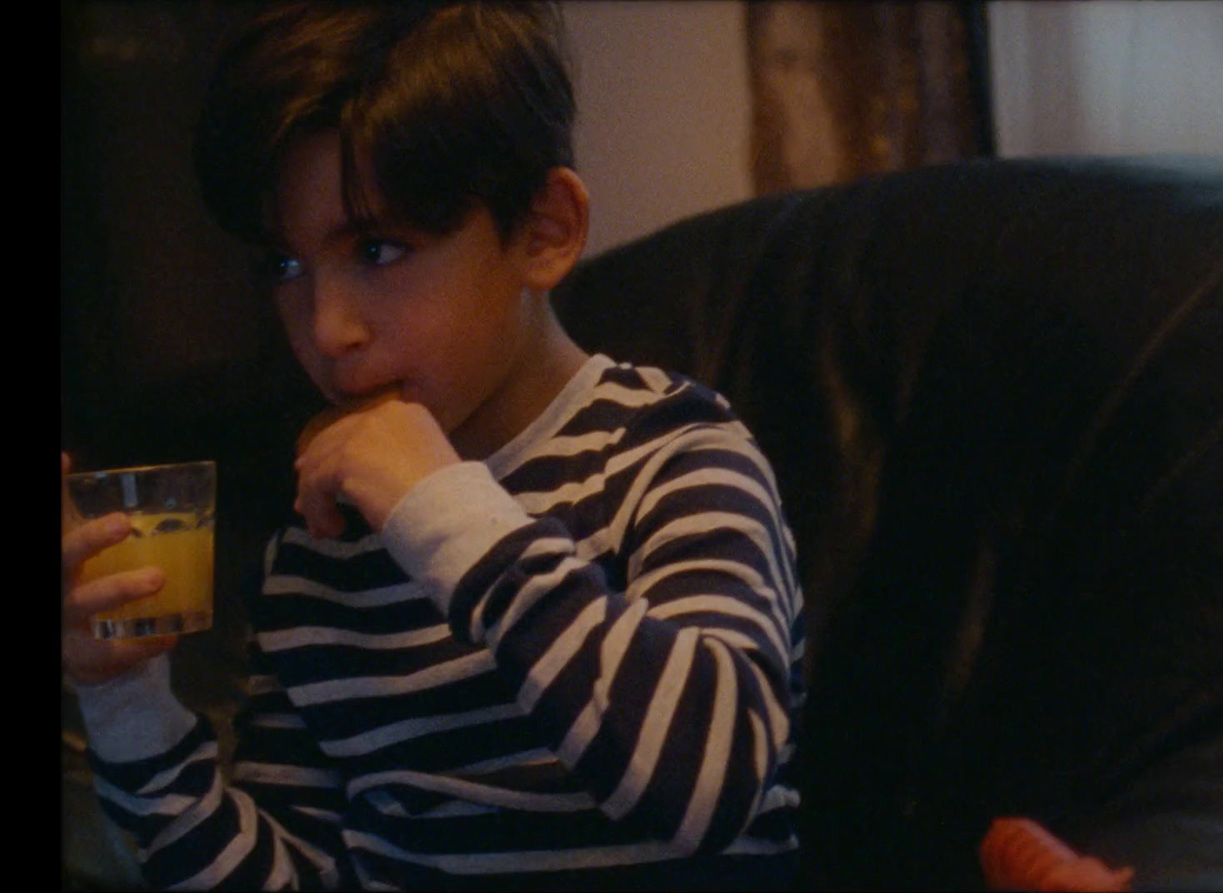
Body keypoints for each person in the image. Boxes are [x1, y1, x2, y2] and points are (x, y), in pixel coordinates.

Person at [60, 3, 804, 888]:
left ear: (544, 230)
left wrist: (439, 508)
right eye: (285, 267)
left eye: (378, 247)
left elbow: (710, 784)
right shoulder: (315, 559)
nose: (328, 330)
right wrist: (121, 697)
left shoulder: (671, 456)